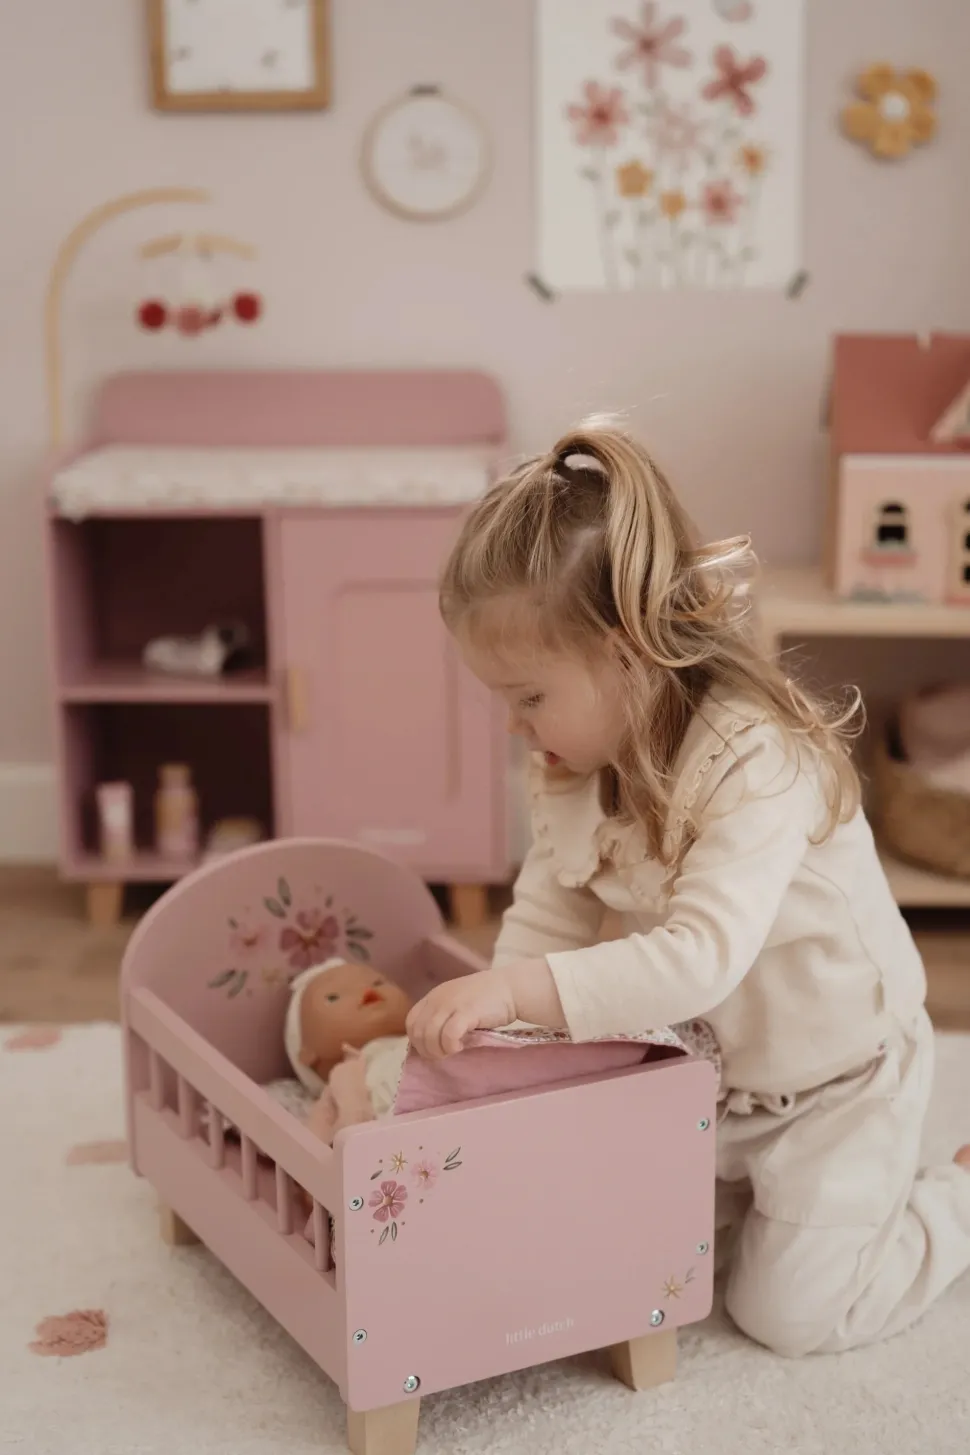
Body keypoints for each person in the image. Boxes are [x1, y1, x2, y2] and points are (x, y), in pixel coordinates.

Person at [405, 417, 970, 1358]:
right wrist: (501, 1047)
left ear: (627, 650)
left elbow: (700, 959)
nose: (514, 725)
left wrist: (516, 992)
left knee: (788, 1313)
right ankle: (783, 1203)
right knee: (620, 1249)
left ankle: (952, 1197)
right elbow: (548, 911)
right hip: (719, 1085)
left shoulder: (756, 758)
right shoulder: (573, 765)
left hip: (839, 1082)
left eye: (529, 696)